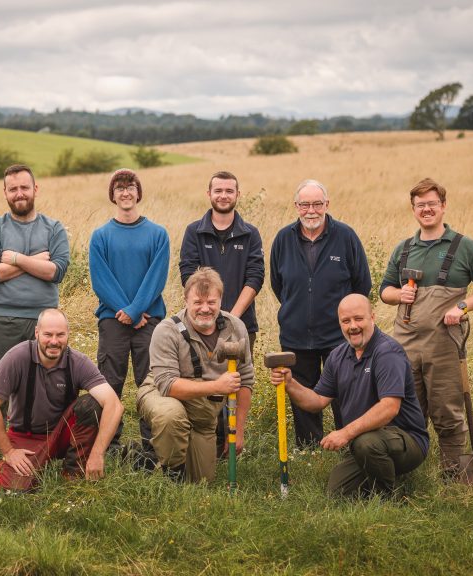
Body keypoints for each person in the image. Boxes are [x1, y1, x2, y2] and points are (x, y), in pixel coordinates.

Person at [379, 178, 473, 477]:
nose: (426, 209)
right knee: (407, 411)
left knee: (447, 412)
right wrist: (399, 294)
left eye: (432, 204)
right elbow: (384, 291)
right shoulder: (404, 249)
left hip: (445, 345)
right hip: (405, 346)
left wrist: (461, 307)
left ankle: (454, 477)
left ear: (443, 206)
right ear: (413, 210)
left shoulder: (464, 246)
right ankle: (409, 474)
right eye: (420, 205)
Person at [271, 294, 429, 497]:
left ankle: (388, 497)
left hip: (407, 440)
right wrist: (290, 383)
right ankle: (383, 473)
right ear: (340, 324)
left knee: (367, 444)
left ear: (373, 317)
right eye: (346, 321)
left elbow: (390, 407)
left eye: (358, 319)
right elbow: (316, 402)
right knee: (336, 492)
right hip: (364, 440)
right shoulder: (337, 356)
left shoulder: (388, 353)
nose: (352, 326)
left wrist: (345, 434)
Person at [270, 179, 371, 448]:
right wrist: (300, 308)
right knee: (302, 394)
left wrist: (347, 320)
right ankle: (310, 450)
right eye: (305, 204)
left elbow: (362, 285)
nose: (311, 210)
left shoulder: (346, 236)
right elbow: (278, 285)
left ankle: (349, 444)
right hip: (296, 334)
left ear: (327, 204)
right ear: (296, 207)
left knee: (345, 392)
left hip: (339, 336)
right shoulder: (283, 238)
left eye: (317, 204)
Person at [0, 164, 70, 446]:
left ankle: (39, 440)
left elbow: (58, 271)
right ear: (5, 192)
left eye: (24, 188)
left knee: (42, 386)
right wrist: (38, 261)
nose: (19, 194)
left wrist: (15, 259)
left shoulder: (53, 228)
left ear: (35, 189)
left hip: (41, 322)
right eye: (13, 189)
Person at [0, 309, 123, 491]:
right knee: (13, 489)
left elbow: (114, 405)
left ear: (68, 334)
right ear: (37, 333)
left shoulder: (78, 361)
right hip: (26, 435)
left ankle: (73, 472)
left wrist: (97, 453)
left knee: (91, 404)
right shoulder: (17, 357)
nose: (54, 341)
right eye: (48, 334)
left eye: (60, 335)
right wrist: (9, 452)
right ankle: (3, 468)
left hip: (64, 434)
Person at [136, 267, 255, 482]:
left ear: (220, 300)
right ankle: (172, 475)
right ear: (186, 301)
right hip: (161, 393)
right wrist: (217, 387)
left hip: (204, 412)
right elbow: (167, 385)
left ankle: (145, 457)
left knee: (202, 481)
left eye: (211, 302)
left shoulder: (236, 327)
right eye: (198, 302)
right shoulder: (166, 330)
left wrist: (238, 430)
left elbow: (245, 380)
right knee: (171, 416)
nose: (205, 309)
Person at [179, 170, 264, 456]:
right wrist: (211, 314)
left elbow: (256, 276)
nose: (223, 195)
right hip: (200, 323)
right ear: (209, 194)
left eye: (229, 191)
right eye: (218, 190)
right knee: (206, 381)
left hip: (241, 325)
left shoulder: (250, 233)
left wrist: (231, 318)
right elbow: (188, 274)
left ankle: (233, 441)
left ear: (238, 195)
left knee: (237, 381)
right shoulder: (194, 231)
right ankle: (207, 446)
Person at [89, 169, 169, 450]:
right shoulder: (100, 236)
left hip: (149, 320)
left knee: (151, 381)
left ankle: (153, 444)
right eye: (119, 187)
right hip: (112, 320)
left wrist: (135, 311)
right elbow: (101, 279)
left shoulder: (158, 235)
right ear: (112, 195)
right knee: (109, 381)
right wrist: (125, 310)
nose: (125, 192)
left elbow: (156, 278)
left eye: (130, 186)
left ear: (138, 192)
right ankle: (108, 443)